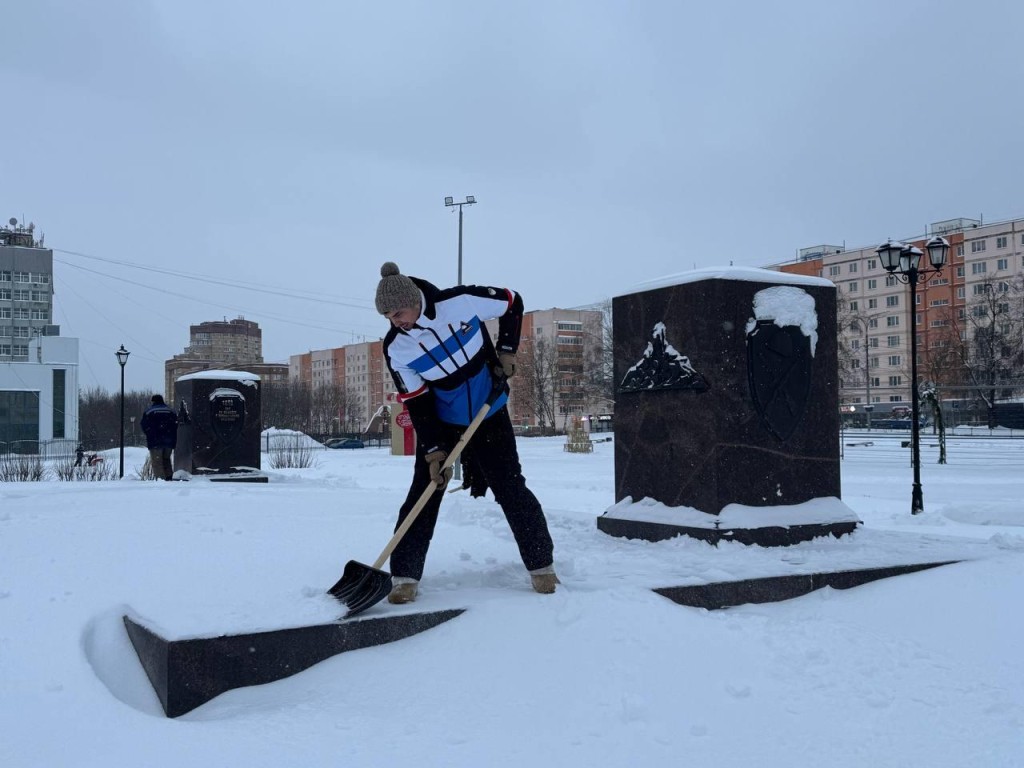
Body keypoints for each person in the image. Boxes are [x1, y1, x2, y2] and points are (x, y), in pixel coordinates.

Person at [375, 261, 557, 604]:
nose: (395, 321)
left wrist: (506, 350)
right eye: (388, 317)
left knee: (510, 486)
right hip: (441, 420)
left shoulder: (458, 303)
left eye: (398, 312)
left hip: (489, 409)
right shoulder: (396, 348)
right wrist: (433, 450)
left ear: (414, 300)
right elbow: (416, 400)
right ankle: (405, 575)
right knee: (424, 492)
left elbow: (512, 301)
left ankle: (541, 565)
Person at [141, 394, 178, 480]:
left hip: (155, 441)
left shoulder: (149, 412)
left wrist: (150, 434)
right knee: (166, 459)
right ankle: (169, 478)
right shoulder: (171, 411)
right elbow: (175, 425)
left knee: (157, 462)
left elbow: (144, 425)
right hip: (169, 441)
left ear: (153, 401)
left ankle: (161, 481)